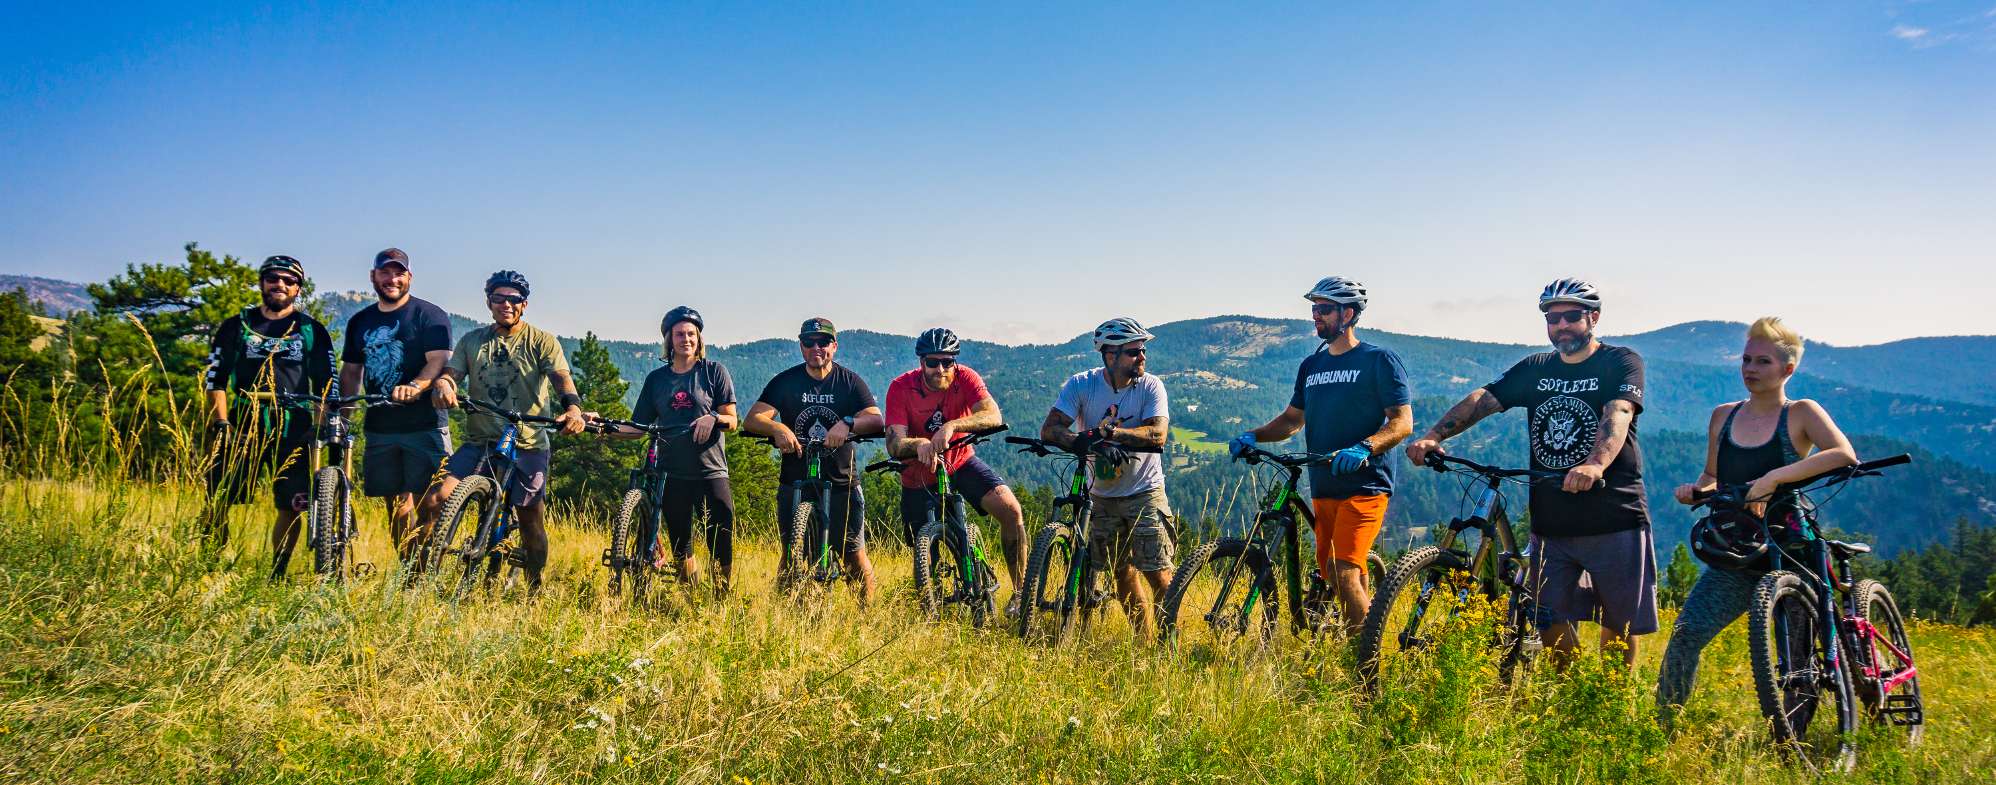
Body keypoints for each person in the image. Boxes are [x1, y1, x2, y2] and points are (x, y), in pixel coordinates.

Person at [1405, 278, 1657, 667]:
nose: (1561, 326)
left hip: (1614, 516)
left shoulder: (1620, 362)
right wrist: (1433, 436)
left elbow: (1619, 412)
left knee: (1618, 625)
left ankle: (1611, 697)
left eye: (1571, 316)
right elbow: (1484, 399)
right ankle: (1574, 690)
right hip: (1552, 521)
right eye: (1552, 319)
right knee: (1546, 618)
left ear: (1594, 317)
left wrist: (1595, 464)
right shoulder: (1536, 368)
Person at [1656, 317, 1856, 722]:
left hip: (1791, 547)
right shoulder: (1723, 416)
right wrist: (1696, 490)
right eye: (1746, 359)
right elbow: (1712, 475)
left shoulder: (1800, 413)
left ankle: (1792, 741)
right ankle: (1663, 727)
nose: (1750, 368)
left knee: (1797, 658)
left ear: (1788, 369)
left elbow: (1843, 454)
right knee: (1686, 634)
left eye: (1763, 361)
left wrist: (1773, 479)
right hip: (1738, 549)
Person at [1230, 277, 1412, 634]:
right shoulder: (1311, 366)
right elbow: (1291, 420)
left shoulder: (1379, 360)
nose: (1316, 316)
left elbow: (1402, 422)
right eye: (1314, 309)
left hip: (1365, 484)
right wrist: (1254, 435)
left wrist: (1365, 447)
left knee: (1344, 573)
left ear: (1348, 314)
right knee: (1335, 570)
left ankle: (1367, 663)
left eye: (1324, 309)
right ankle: (1362, 638)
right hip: (1324, 485)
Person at [420, 270, 587, 591]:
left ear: (524, 305)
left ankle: (535, 586)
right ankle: (422, 582)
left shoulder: (541, 341)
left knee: (530, 519)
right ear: (489, 302)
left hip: (528, 442)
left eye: (514, 299)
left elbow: (562, 379)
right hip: (481, 440)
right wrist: (444, 383)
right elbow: (452, 374)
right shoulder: (473, 341)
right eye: (499, 298)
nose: (506, 304)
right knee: (435, 500)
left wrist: (573, 409)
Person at [199, 255, 338, 578]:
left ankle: (278, 573)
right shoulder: (237, 325)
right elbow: (215, 380)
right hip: (243, 420)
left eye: (289, 281)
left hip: (294, 425)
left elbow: (326, 384)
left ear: (298, 288)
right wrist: (221, 423)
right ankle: (210, 566)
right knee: (218, 497)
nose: (280, 285)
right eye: (273, 278)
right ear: (262, 283)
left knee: (293, 504)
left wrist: (321, 427)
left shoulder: (311, 330)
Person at [1038, 317, 1175, 640]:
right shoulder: (1081, 384)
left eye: (1143, 350)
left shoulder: (1150, 386)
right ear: (1110, 355)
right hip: (1100, 496)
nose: (1142, 357)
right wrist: (1086, 441)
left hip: (1144, 491)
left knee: (1159, 574)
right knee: (1121, 571)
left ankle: (1168, 646)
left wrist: (1113, 435)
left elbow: (1157, 434)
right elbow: (1050, 429)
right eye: (1133, 352)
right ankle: (1143, 641)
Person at [883, 327, 1030, 613]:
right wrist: (920, 443)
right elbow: (894, 443)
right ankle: (933, 614)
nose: (940, 369)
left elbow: (992, 414)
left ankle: (1020, 593)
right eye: (932, 362)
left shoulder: (966, 377)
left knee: (1011, 511)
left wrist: (952, 426)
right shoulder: (901, 387)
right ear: (921, 362)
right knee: (926, 557)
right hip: (917, 474)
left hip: (960, 462)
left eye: (947, 362)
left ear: (955, 362)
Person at [742, 318, 886, 602]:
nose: (816, 347)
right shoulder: (786, 381)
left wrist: (848, 423)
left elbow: (875, 420)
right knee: (790, 552)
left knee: (852, 552)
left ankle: (867, 615)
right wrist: (777, 428)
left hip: (841, 479)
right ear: (801, 346)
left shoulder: (849, 382)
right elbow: (753, 419)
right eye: (809, 342)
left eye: (823, 342)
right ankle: (785, 614)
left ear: (834, 346)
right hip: (794, 478)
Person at [602, 306, 740, 597]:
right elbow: (638, 427)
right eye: (679, 334)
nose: (686, 339)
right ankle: (693, 600)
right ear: (669, 339)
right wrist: (604, 428)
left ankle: (722, 598)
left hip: (710, 470)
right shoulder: (657, 379)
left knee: (720, 539)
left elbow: (732, 420)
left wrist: (713, 417)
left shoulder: (714, 372)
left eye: (691, 334)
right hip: (672, 471)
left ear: (699, 338)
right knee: (681, 544)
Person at [338, 248, 453, 562]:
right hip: (380, 427)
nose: (392, 279)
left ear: (409, 277)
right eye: (385, 272)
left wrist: (415, 386)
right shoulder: (360, 321)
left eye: (398, 273)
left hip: (425, 424)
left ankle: (425, 569)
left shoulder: (428, 315)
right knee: (396, 506)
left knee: (431, 503)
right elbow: (352, 371)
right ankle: (408, 572)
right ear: (373, 276)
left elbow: (438, 361)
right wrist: (343, 417)